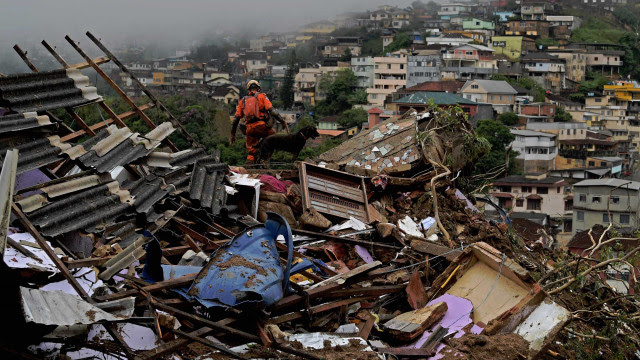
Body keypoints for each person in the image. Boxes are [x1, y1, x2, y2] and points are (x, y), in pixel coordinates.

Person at [230, 80, 289, 164]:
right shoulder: (262, 96)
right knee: (274, 139)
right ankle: (264, 160)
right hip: (262, 126)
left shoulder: (242, 101)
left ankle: (250, 165)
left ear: (248, 90)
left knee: (251, 150)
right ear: (258, 89)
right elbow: (272, 111)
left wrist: (232, 135)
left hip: (250, 129)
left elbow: (236, 119)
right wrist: (282, 121)